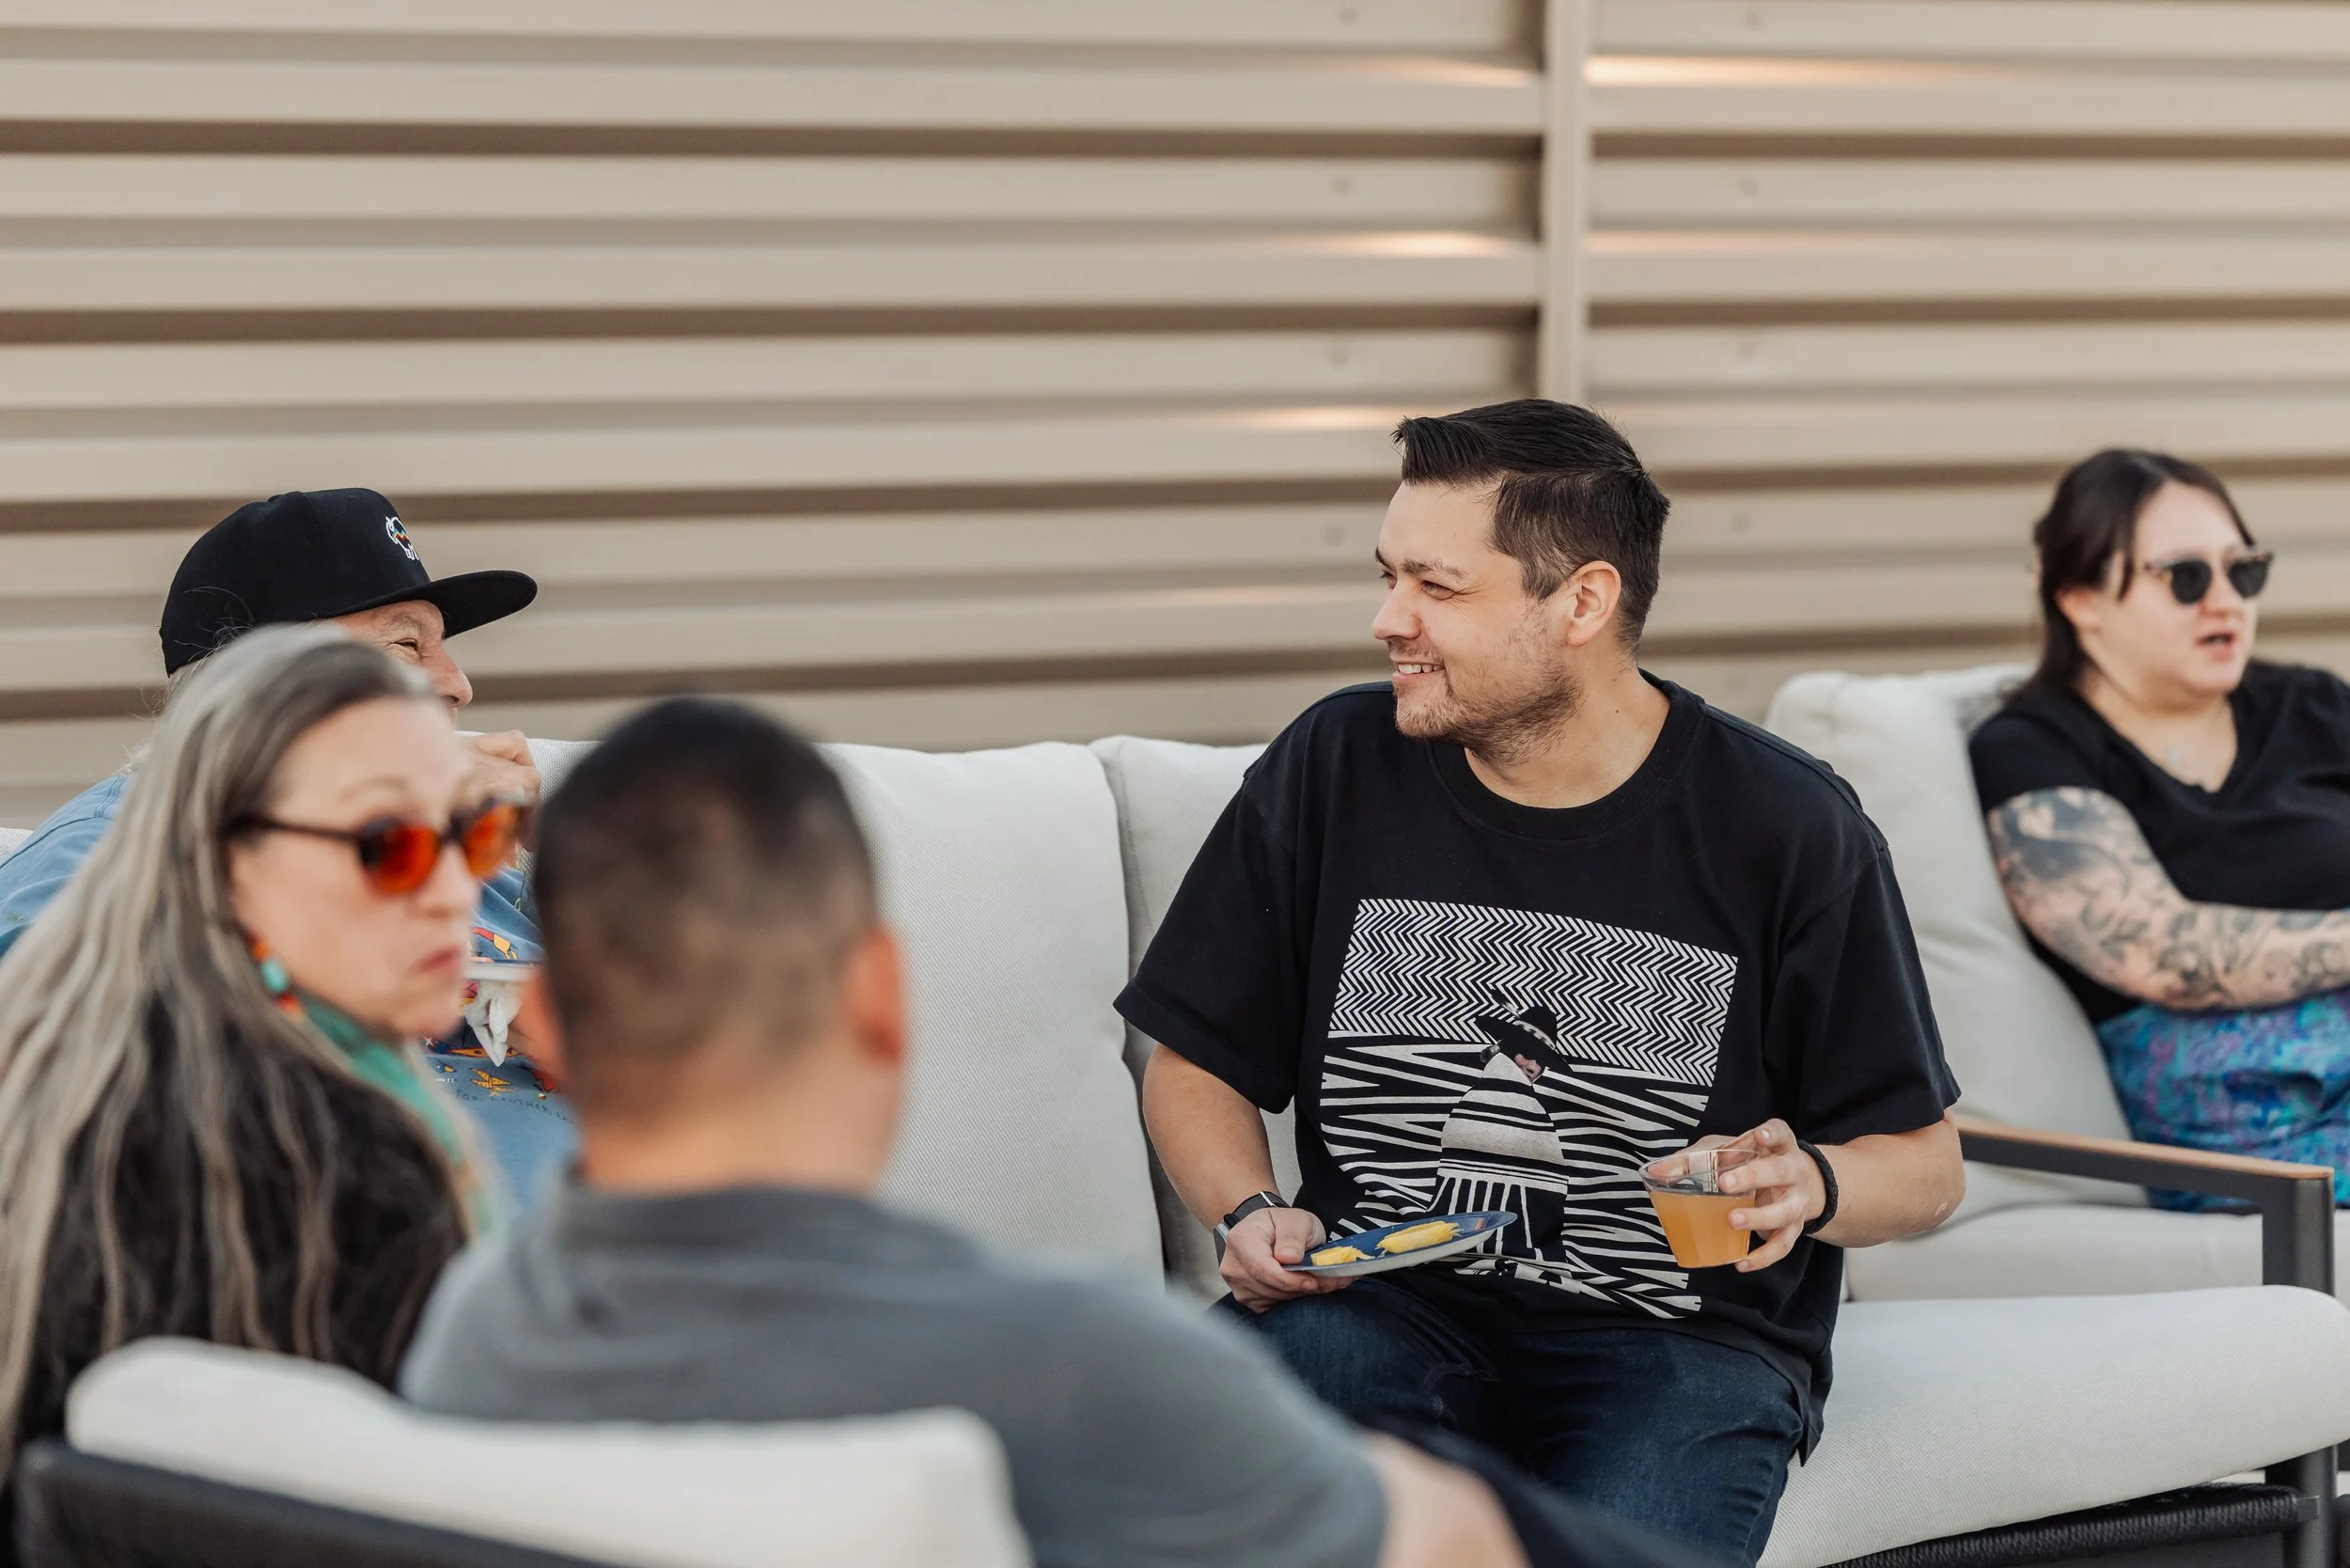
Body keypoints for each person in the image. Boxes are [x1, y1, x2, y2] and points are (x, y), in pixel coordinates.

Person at [400, 698, 1712, 1568]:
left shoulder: (476, 1339)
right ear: (879, 998)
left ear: (549, 1017)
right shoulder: (1072, 1361)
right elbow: (1457, 1545)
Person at [1118, 399, 1965, 1565]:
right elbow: (1194, 1058)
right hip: (1378, 1308)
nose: (1387, 621)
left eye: (1437, 587)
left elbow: (1924, 1168)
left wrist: (1806, 1185)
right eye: (1387, 577)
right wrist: (1250, 1212)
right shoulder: (1335, 766)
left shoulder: (1784, 826)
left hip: (1679, 1345)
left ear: (1580, 602)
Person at [0, 624, 516, 1528]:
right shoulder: (348, 1169)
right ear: (229, 862)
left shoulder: (85, 1058)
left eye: (472, 835)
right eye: (387, 845)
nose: (450, 894)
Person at [0, 488, 573, 1200]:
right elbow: (59, 1087)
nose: (457, 684)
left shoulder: (468, 860)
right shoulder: (114, 850)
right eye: (406, 645)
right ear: (264, 684)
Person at [1972, 448, 2350, 1205]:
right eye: (2185, 577)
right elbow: (2152, 948)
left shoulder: (2311, 704)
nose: (2226, 601)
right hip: (2251, 1122)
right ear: (2081, 596)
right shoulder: (2034, 749)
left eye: (2243, 570)